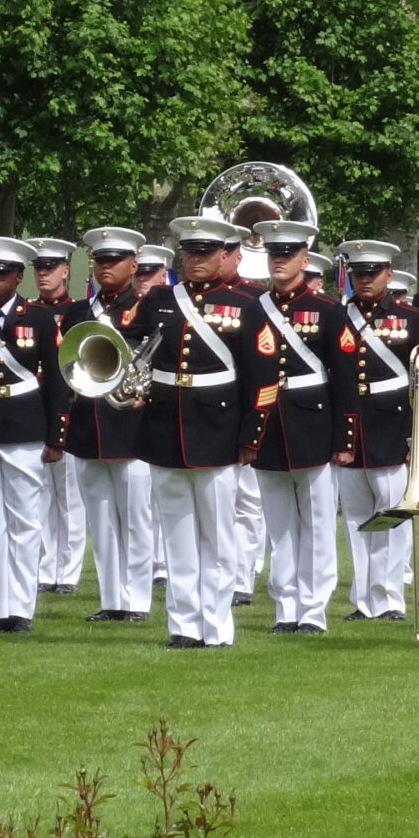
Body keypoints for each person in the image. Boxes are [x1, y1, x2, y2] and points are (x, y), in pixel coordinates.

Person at [123, 215, 278, 649]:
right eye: (190, 252)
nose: (196, 260)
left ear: (224, 254)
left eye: (205, 252)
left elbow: (263, 376)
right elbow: (126, 343)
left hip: (218, 427)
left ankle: (217, 625)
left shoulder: (248, 304)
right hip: (165, 427)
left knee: (217, 537)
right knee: (176, 536)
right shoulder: (159, 300)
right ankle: (184, 626)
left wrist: (251, 435)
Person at [247, 217, 356, 634]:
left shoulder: (327, 309)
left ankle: (312, 609)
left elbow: (345, 376)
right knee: (279, 525)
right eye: (274, 253)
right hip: (269, 422)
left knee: (316, 523)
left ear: (304, 258)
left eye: (288, 254)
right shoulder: (256, 307)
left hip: (313, 419)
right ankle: (285, 605)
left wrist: (344, 437)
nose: (279, 261)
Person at [56, 227, 154, 623]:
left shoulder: (146, 307)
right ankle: (112, 599)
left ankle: (139, 600)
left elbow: (155, 360)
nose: (105, 268)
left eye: (114, 261)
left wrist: (145, 394)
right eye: (100, 261)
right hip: (88, 428)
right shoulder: (78, 313)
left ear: (133, 264)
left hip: (131, 426)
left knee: (135, 519)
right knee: (100, 519)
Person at [334, 239, 419, 622]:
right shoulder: (337, 316)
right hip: (350, 424)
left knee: (391, 515)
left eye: (372, 273)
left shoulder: (412, 318)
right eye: (358, 273)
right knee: (356, 519)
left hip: (392, 422)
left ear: (389, 274)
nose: (365, 280)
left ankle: (389, 598)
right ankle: (364, 598)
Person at [0, 236, 54, 633]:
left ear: (19, 277)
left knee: (24, 522)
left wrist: (57, 436)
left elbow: (56, 381)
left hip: (24, 425)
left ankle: (22, 608)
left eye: (3, 272)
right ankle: (0, 609)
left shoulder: (38, 319)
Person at [28, 237, 87, 595]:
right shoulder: (30, 313)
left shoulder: (78, 312)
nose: (44, 274)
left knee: (69, 499)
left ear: (66, 270)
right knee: (41, 499)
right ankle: (46, 567)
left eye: (51, 267)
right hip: (35, 408)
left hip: (69, 407)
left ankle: (68, 570)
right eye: (39, 268)